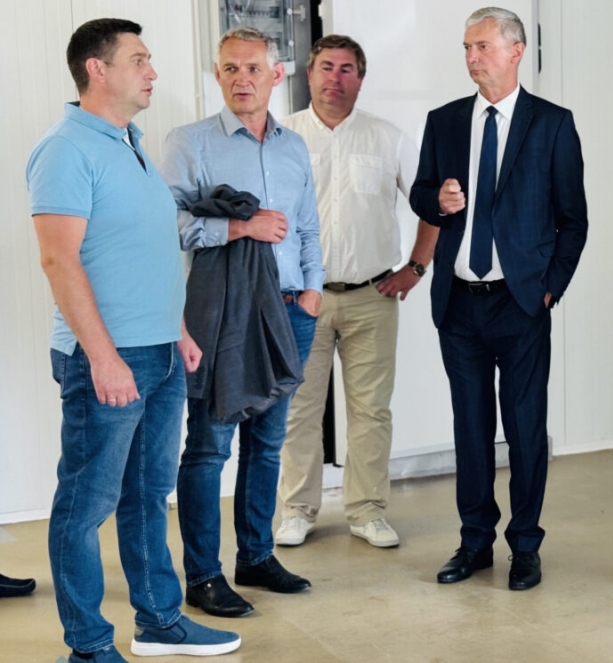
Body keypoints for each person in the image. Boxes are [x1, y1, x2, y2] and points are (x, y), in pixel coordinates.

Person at [27, 18, 240, 662]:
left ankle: (160, 622)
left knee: (147, 495)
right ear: (97, 69)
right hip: (107, 359)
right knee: (85, 504)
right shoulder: (66, 149)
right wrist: (103, 357)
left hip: (159, 354)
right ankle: (89, 647)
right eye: (139, 60)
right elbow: (59, 260)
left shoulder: (132, 144)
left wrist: (177, 332)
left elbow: (143, 252)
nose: (153, 72)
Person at [409, 6, 588, 591]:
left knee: (526, 428)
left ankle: (526, 545)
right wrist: (437, 199)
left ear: (516, 51)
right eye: (467, 47)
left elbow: (573, 220)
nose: (471, 57)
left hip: (521, 304)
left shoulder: (552, 124)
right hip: (458, 303)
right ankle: (474, 543)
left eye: (482, 46)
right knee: (471, 428)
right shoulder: (443, 121)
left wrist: (548, 290)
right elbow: (420, 194)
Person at [162, 26, 324, 618]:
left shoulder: (294, 145)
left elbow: (307, 225)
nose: (241, 79)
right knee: (208, 447)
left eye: (253, 68)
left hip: (290, 311)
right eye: (230, 68)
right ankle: (203, 575)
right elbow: (167, 224)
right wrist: (238, 227)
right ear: (217, 75)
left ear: (276, 75)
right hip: (223, 312)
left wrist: (313, 289)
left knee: (268, 443)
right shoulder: (190, 142)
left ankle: (255, 557)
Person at [276, 35, 439, 549]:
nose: (335, 78)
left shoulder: (387, 138)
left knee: (371, 411)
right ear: (309, 73)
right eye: (326, 67)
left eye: (347, 69)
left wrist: (416, 267)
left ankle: (367, 511)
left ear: (361, 79)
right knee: (298, 410)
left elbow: (431, 205)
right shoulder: (282, 137)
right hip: (302, 299)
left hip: (373, 296)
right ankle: (297, 510)